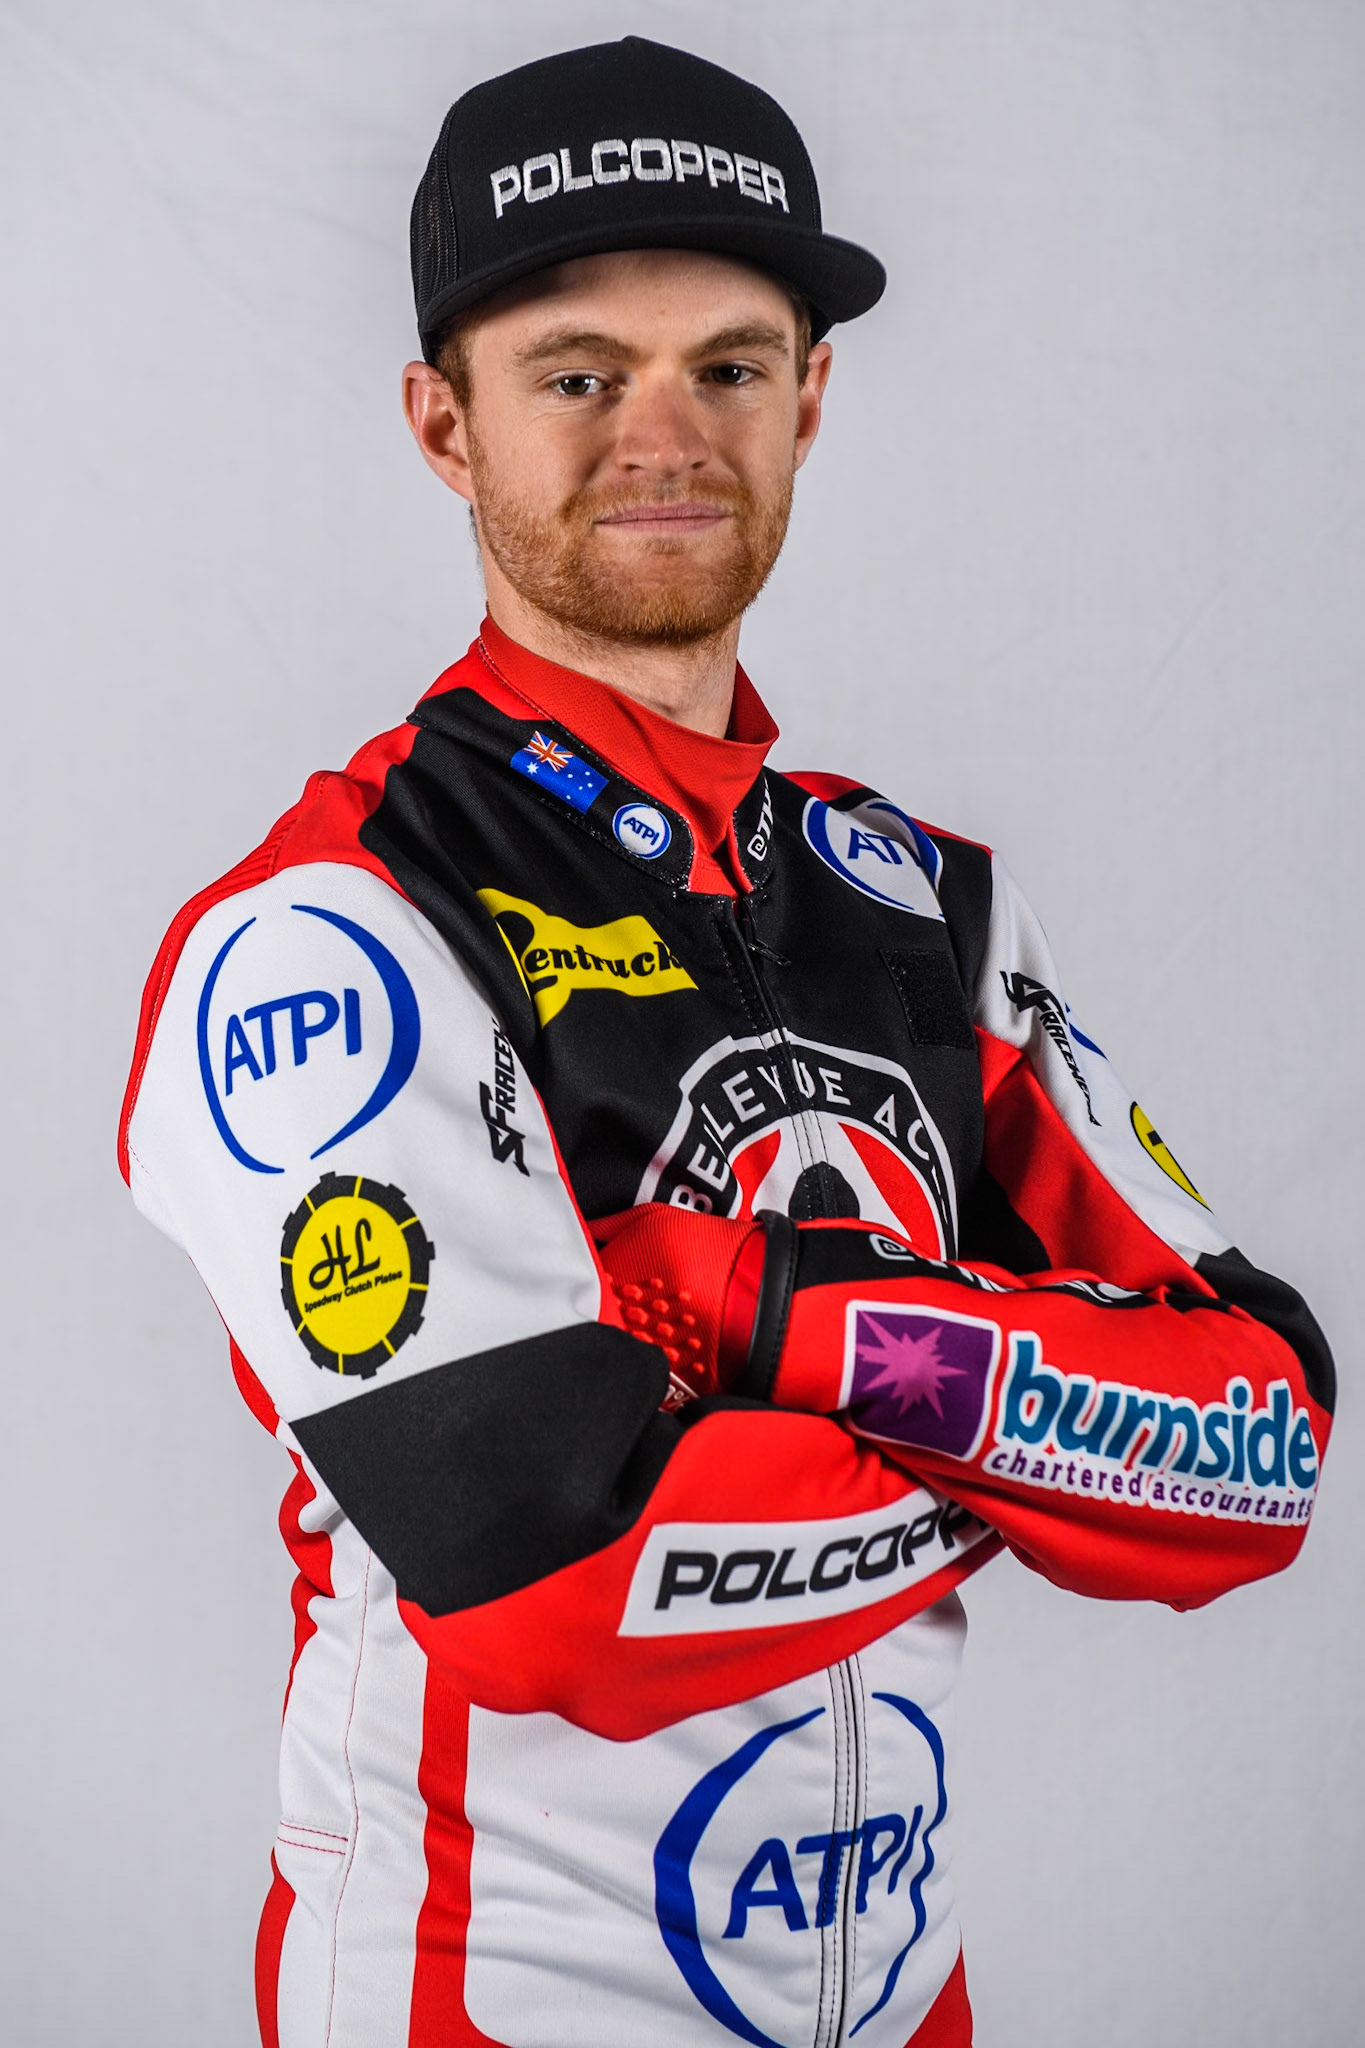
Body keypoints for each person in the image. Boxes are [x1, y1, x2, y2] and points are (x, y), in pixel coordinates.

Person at [118, 35, 1333, 2048]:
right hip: (486, 2000)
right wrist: (1045, 1435)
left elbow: (1260, 1438)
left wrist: (754, 1318)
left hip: (902, 1989)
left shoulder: (928, 909)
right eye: (580, 372)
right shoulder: (330, 928)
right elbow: (552, 1573)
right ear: (444, 425)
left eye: (731, 365)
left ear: (811, 399)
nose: (662, 430)